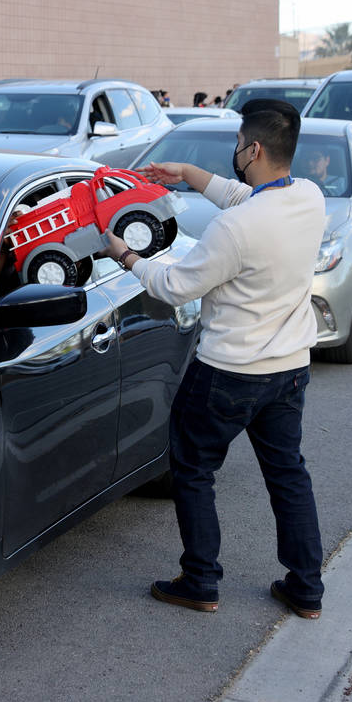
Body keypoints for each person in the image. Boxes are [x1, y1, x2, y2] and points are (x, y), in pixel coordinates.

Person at [105, 99, 327, 621]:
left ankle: (200, 581)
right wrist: (186, 173)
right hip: (289, 369)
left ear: (252, 149)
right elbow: (243, 196)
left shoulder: (235, 229)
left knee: (194, 468)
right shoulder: (309, 198)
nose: (233, 154)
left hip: (228, 373)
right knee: (288, 475)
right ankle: (306, 588)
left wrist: (121, 252)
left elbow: (174, 287)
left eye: (236, 146)